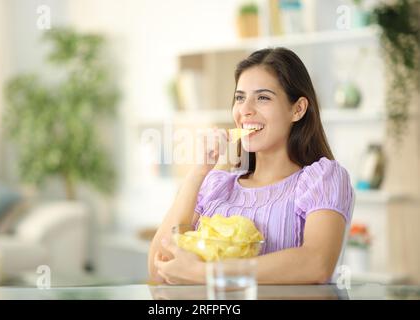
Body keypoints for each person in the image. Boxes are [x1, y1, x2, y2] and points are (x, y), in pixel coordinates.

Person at [148, 47, 354, 285]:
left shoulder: (322, 178)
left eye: (263, 97)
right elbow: (158, 267)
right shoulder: (217, 185)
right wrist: (199, 171)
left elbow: (317, 263)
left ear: (297, 109)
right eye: (239, 97)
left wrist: (206, 274)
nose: (245, 110)